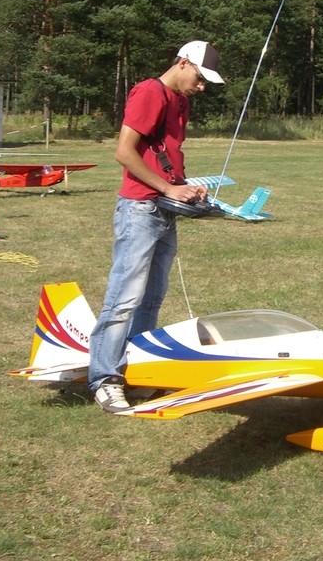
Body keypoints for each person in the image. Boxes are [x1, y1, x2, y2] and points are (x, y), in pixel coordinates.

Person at [88, 40, 224, 412]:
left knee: (151, 298)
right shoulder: (150, 92)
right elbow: (124, 151)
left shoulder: (180, 101)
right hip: (139, 209)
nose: (201, 87)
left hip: (164, 209)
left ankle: (139, 372)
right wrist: (168, 188)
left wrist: (185, 187)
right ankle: (105, 379)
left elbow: (163, 155)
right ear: (183, 63)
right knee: (124, 298)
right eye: (200, 78)